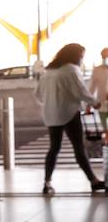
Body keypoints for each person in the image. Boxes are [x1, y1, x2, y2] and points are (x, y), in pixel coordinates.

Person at [34, 42, 104, 195]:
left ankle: (47, 183)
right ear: (73, 56)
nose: (81, 59)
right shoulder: (71, 70)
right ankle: (94, 181)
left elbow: (38, 95)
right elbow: (80, 91)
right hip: (69, 113)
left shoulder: (48, 72)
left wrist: (51, 103)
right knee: (79, 148)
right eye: (81, 56)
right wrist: (95, 102)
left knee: (54, 149)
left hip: (51, 115)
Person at [90, 47, 108, 134]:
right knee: (104, 126)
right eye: (104, 56)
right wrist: (88, 104)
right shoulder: (97, 70)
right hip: (101, 102)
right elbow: (92, 87)